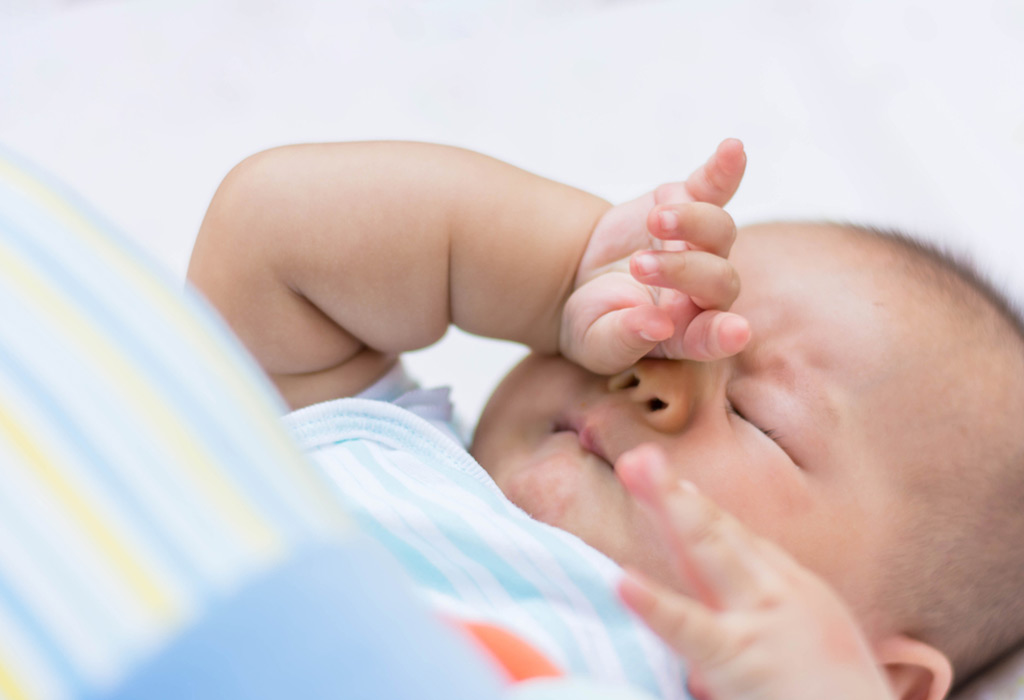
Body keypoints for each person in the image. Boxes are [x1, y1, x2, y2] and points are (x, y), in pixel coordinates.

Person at [187, 139, 1024, 700]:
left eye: (758, 415)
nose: (653, 367)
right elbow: (273, 233)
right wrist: (561, 273)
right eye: (663, 313)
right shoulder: (378, 449)